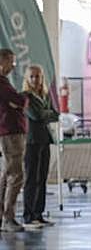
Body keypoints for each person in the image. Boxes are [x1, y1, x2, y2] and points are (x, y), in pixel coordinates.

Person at [21, 64, 58, 227]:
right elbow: (36, 115)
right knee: (31, 178)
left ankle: (39, 213)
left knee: (42, 177)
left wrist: (46, 113)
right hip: (31, 141)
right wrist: (47, 113)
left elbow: (56, 114)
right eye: (32, 76)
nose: (35, 79)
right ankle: (29, 215)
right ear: (27, 79)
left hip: (45, 139)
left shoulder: (45, 95)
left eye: (38, 76)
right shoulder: (25, 96)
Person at [0, 48, 27, 232]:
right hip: (10, 131)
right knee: (16, 175)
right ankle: (8, 218)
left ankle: (4, 215)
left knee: (7, 173)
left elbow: (15, 102)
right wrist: (23, 98)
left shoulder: (4, 82)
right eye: (11, 61)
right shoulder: (2, 83)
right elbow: (17, 100)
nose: (13, 65)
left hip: (9, 130)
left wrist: (17, 102)